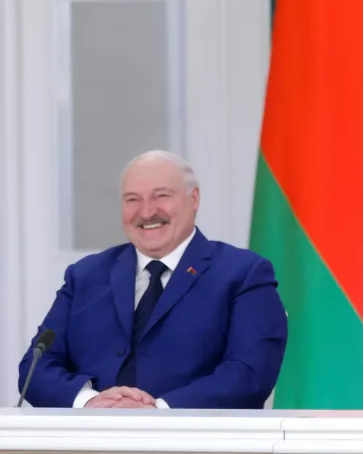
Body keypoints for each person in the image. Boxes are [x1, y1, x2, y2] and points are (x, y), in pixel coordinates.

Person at [17, 150, 288, 409]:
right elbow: (35, 368)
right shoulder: (85, 275)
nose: (146, 212)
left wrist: (157, 411)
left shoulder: (244, 274)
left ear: (194, 199)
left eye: (161, 196)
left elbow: (250, 373)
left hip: (196, 441)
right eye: (132, 199)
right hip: (91, 439)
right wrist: (91, 402)